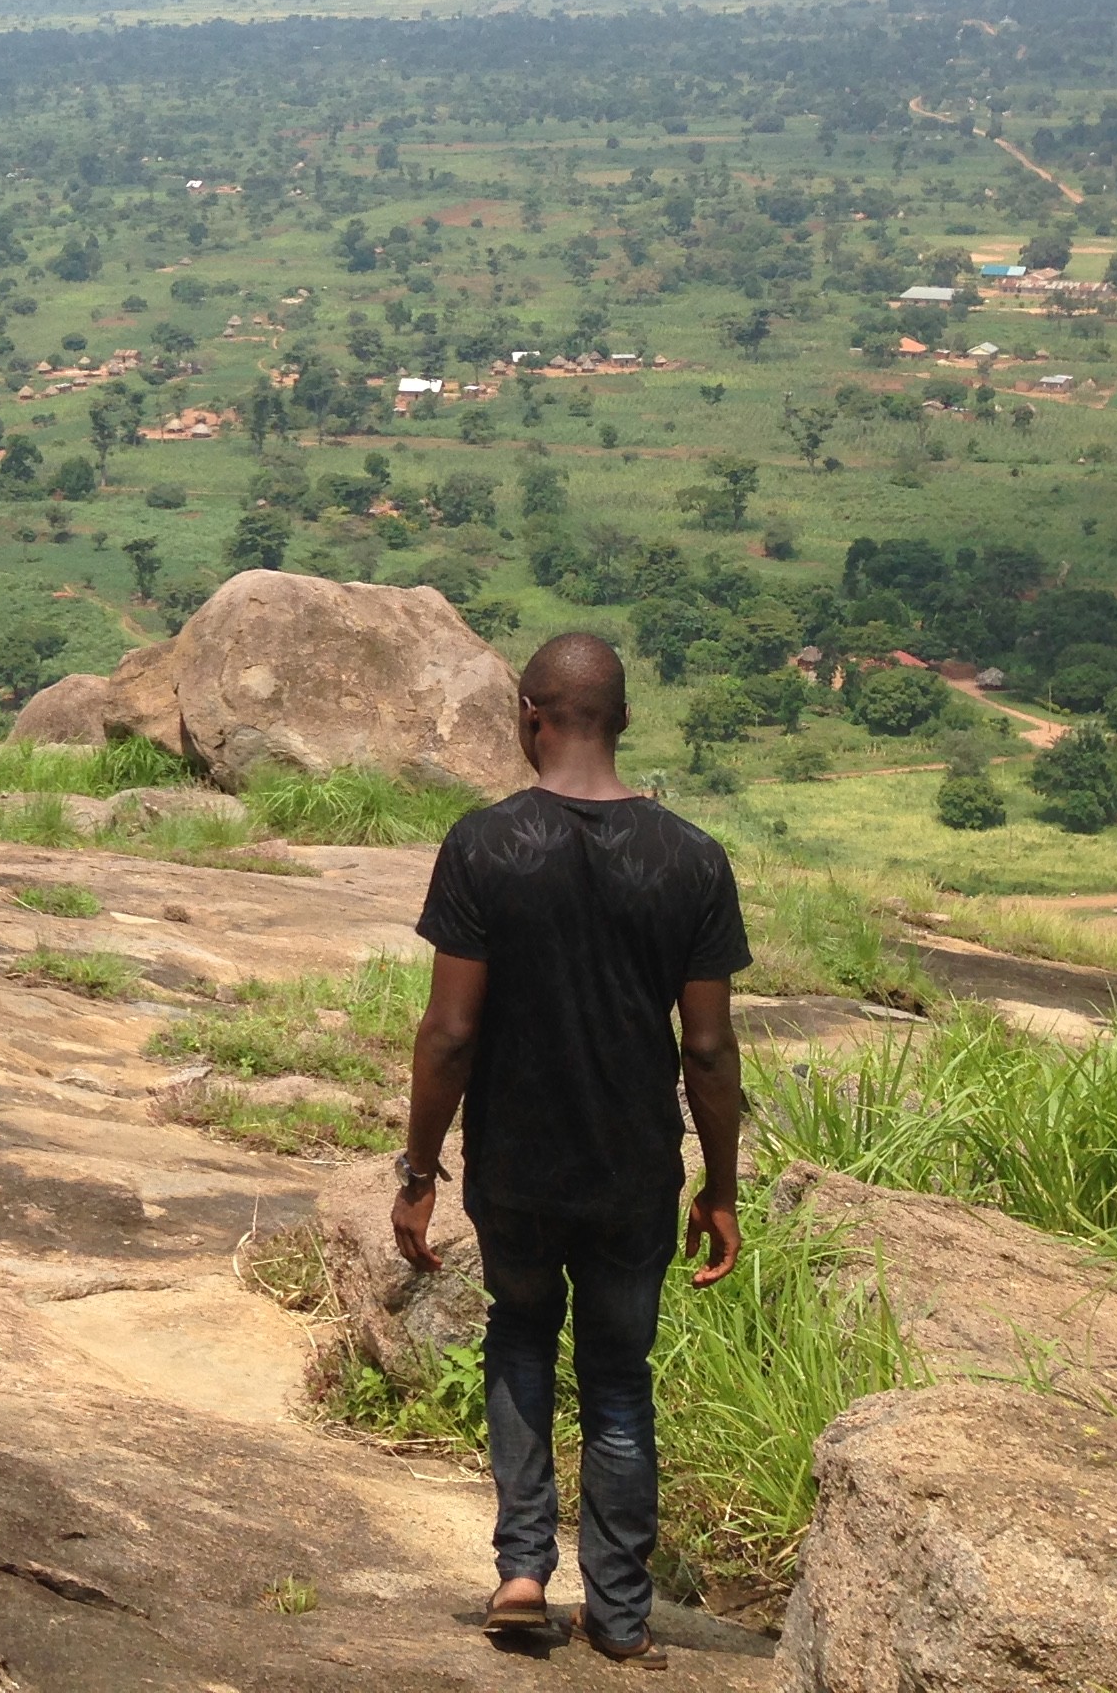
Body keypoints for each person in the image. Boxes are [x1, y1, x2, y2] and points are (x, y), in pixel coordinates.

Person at [391, 631, 748, 1667]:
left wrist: (420, 1171)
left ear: (528, 717)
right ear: (623, 720)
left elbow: (449, 1034)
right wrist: (721, 1186)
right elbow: (710, 1049)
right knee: (620, 1380)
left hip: (514, 1165)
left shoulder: (483, 845)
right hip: (634, 1170)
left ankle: (521, 1572)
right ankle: (621, 1614)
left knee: (519, 1337)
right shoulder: (693, 858)